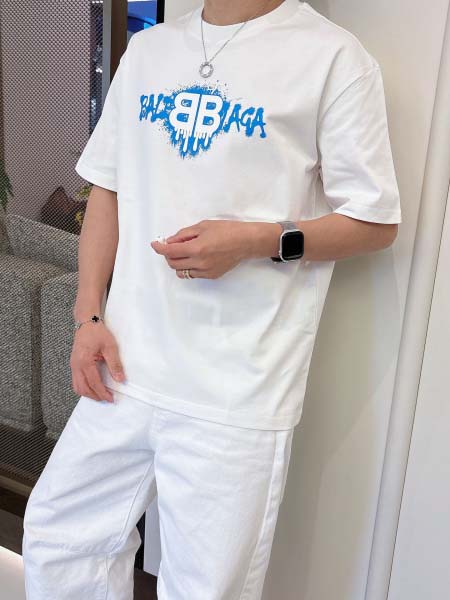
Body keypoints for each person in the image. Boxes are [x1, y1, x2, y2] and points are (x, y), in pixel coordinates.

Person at [22, 1, 402, 598]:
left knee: (204, 587)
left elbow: (375, 221)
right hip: (125, 363)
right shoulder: (148, 51)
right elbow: (107, 189)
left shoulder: (332, 58)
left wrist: (255, 241)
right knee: (61, 540)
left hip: (236, 386)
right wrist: (88, 314)